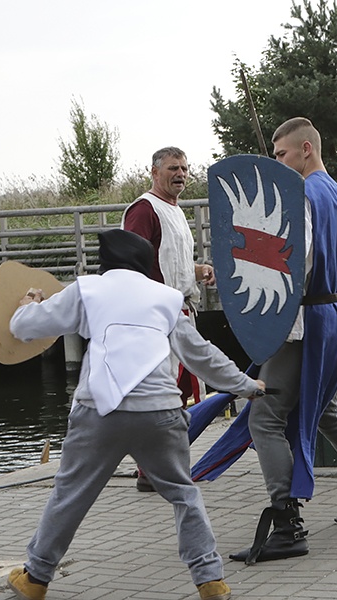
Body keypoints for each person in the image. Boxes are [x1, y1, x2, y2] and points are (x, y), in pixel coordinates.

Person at [5, 229, 262, 600]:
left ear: (105, 263)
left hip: (99, 412)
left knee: (70, 494)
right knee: (182, 494)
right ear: (146, 265)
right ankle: (210, 580)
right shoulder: (167, 298)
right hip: (159, 412)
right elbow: (201, 356)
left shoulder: (87, 290)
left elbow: (23, 328)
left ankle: (36, 578)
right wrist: (246, 385)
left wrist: (29, 301)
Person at [229, 117, 337, 565]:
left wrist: (272, 312)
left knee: (263, 418)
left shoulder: (303, 194)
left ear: (306, 149)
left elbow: (294, 268)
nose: (277, 162)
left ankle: (287, 525)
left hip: (305, 322)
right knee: (326, 410)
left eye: (281, 155)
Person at [123, 146, 215, 491]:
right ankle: (152, 470)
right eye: (173, 168)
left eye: (185, 169)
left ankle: (160, 465)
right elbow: (131, 263)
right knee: (159, 393)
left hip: (179, 310)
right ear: (154, 172)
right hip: (156, 315)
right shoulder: (144, 210)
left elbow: (168, 261)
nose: (180, 174)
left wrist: (198, 270)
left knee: (176, 393)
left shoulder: (174, 210)